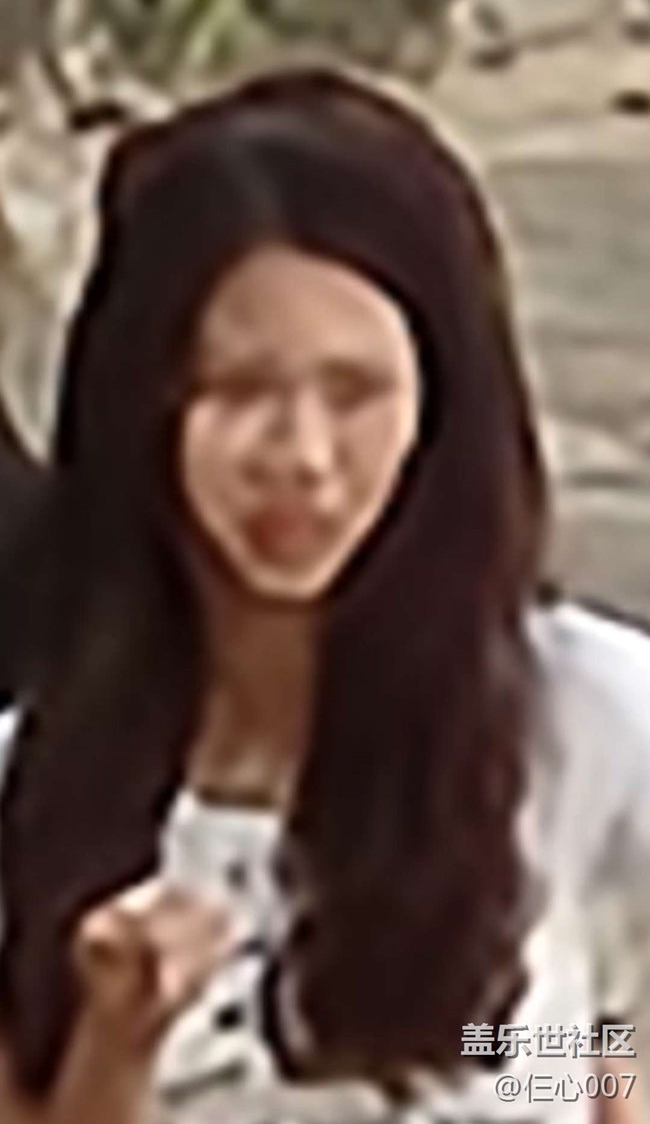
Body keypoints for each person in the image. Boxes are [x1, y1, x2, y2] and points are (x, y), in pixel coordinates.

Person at [0, 64, 647, 1124]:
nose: (301, 457)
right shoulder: (42, 787)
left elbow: (583, 1054)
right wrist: (118, 1037)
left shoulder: (587, 723)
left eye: (354, 392)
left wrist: (573, 1073)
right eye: (239, 389)